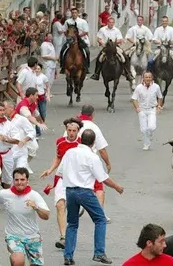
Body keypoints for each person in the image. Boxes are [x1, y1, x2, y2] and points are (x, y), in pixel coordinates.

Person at [61, 129, 124, 265]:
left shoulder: (69, 153)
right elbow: (103, 178)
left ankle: (68, 255)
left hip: (70, 191)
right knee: (100, 219)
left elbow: (61, 172)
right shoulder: (92, 156)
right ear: (93, 142)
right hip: (85, 191)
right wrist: (117, 187)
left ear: (80, 138)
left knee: (72, 224)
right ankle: (99, 253)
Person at [0, 167, 50, 266]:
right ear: (13, 181)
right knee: (18, 261)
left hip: (32, 236)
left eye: (22, 180)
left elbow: (46, 216)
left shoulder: (34, 195)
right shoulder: (5, 194)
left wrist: (36, 207)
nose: (19, 182)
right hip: (13, 236)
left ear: (27, 181)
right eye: (16, 180)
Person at [39, 118, 82, 249]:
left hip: (77, 181)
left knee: (74, 210)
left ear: (78, 131)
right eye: (69, 130)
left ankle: (79, 209)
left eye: (74, 131)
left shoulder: (82, 144)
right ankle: (63, 237)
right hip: (62, 179)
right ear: (66, 130)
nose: (71, 133)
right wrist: (50, 170)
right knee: (60, 205)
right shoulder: (60, 142)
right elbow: (58, 157)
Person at [77, 105, 113, 221]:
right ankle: (100, 213)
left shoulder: (73, 126)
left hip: (74, 158)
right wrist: (107, 163)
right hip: (89, 160)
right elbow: (101, 149)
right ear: (92, 115)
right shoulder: (94, 127)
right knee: (99, 187)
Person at [92, 17, 134, 81]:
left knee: (124, 57)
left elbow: (120, 39)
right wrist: (102, 43)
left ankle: (128, 73)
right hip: (106, 47)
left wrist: (115, 43)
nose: (111, 24)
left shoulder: (117, 30)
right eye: (110, 22)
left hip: (115, 47)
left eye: (112, 22)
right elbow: (98, 39)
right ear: (107, 23)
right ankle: (96, 73)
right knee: (99, 58)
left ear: (114, 23)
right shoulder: (102, 29)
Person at [131, 71, 163, 150]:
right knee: (143, 129)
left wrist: (159, 106)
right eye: (146, 77)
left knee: (151, 127)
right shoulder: (139, 87)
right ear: (143, 78)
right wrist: (137, 108)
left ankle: (150, 133)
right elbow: (134, 99)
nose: (148, 79)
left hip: (152, 109)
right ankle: (146, 144)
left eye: (149, 77)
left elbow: (160, 97)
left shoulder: (156, 87)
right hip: (142, 110)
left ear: (152, 78)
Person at [5, 100, 36, 174]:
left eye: (5, 109)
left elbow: (32, 131)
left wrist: (24, 140)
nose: (3, 111)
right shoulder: (5, 121)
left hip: (21, 153)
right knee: (11, 178)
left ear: (11, 108)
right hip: (9, 154)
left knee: (20, 174)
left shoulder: (21, 119)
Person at [149, 16, 173, 82]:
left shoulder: (171, 29)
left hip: (169, 49)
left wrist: (169, 42)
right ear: (162, 22)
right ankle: (149, 75)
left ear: (167, 22)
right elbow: (154, 39)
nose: (164, 22)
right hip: (160, 48)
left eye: (166, 21)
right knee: (150, 61)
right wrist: (159, 42)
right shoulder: (158, 29)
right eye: (163, 21)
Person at [63, 7, 91, 72]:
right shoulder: (67, 21)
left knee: (87, 51)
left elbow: (86, 31)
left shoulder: (83, 21)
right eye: (72, 13)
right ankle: (63, 66)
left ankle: (86, 66)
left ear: (78, 13)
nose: (74, 14)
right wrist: (68, 36)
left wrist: (77, 36)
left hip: (81, 39)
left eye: (75, 13)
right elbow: (64, 31)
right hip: (70, 40)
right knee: (63, 51)